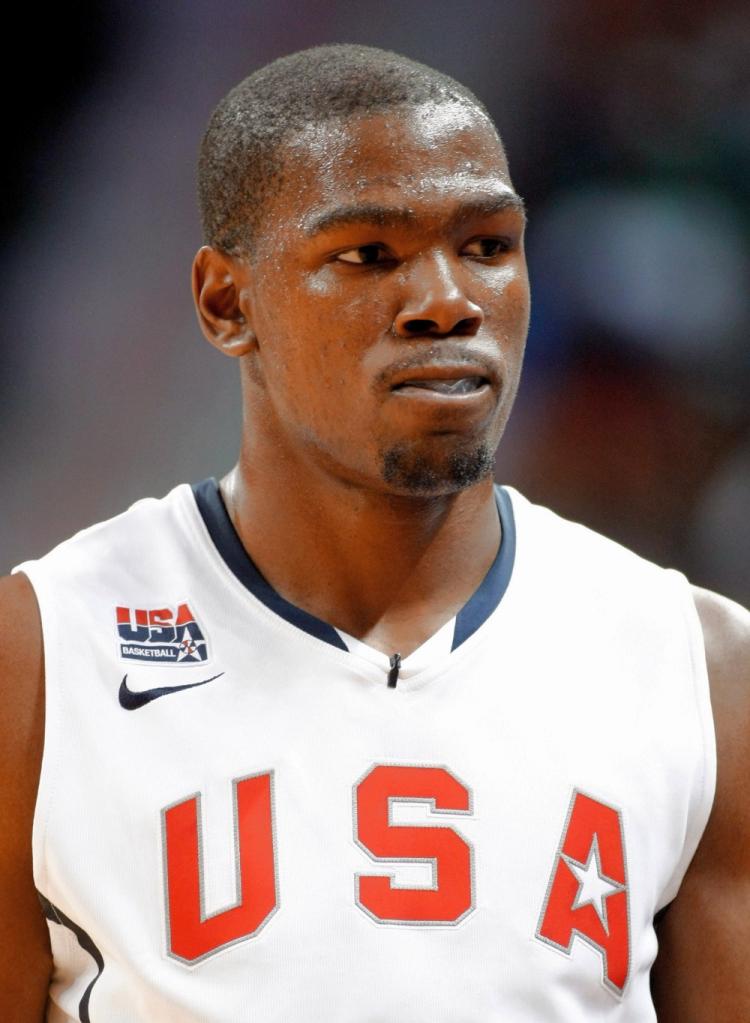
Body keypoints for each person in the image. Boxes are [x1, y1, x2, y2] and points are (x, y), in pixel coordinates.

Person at [0, 43, 747, 1022]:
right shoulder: (43, 654)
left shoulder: (702, 671)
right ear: (228, 302)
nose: (448, 303)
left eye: (488, 245)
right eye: (368, 255)